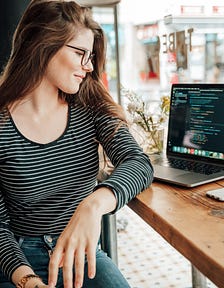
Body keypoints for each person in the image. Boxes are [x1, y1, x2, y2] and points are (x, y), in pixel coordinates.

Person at [0, 1, 154, 288]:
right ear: (42, 46)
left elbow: (138, 162)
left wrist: (93, 205)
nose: (89, 66)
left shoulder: (91, 106)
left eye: (91, 56)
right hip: (17, 261)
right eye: (80, 53)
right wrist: (27, 279)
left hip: (82, 256)